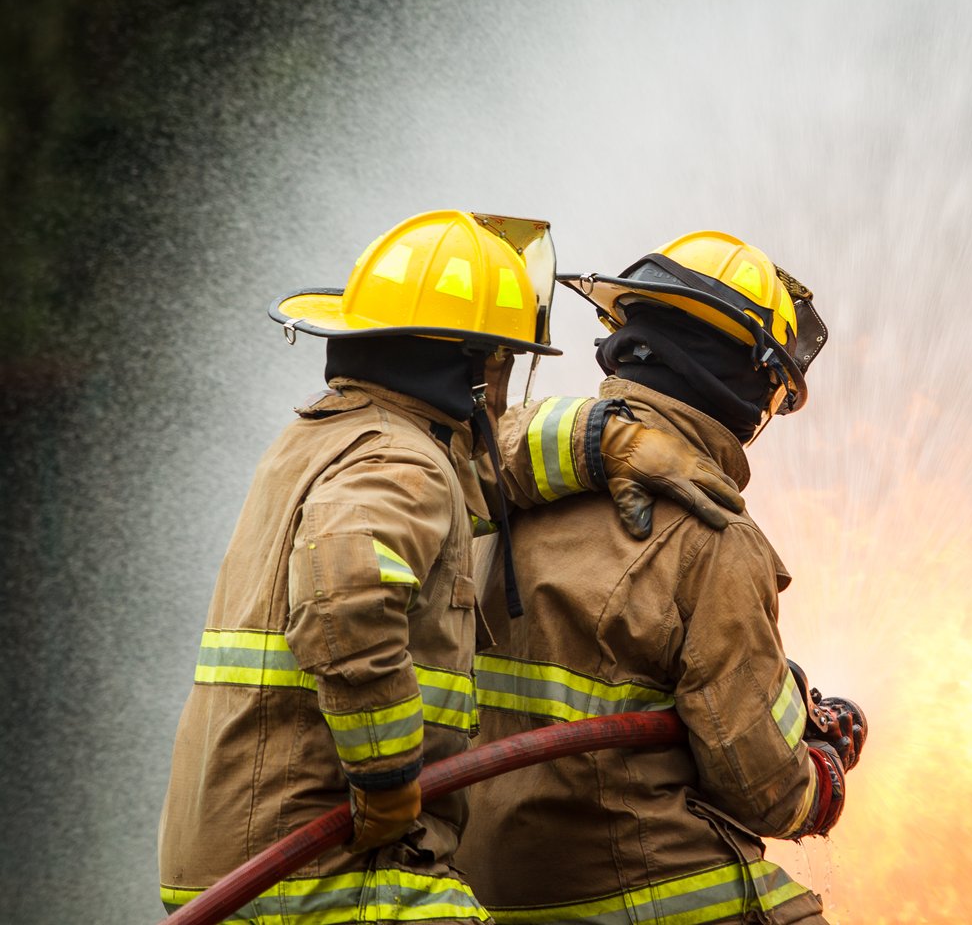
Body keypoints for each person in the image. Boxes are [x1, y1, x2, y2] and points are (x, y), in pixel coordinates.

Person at [158, 212, 745, 923]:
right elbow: (346, 595)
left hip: (249, 852)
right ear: (474, 365)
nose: (502, 386)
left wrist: (605, 440)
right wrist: (386, 778)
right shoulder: (401, 462)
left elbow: (488, 461)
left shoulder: (329, 437)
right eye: (500, 361)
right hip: (327, 864)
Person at [461, 231, 868, 925]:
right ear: (750, 386)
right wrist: (823, 772)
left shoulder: (508, 476)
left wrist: (781, 691)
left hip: (480, 884)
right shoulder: (715, 540)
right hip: (636, 886)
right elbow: (760, 791)